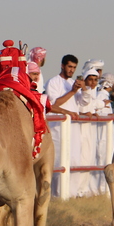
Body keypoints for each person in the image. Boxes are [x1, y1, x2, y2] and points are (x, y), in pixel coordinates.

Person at [45, 54, 83, 195]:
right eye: (69, 66)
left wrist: (84, 89)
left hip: (74, 129)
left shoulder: (73, 83)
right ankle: (57, 195)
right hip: (58, 130)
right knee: (58, 162)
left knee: (74, 160)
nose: (71, 70)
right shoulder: (53, 82)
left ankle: (71, 194)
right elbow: (53, 104)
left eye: (74, 67)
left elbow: (83, 103)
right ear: (62, 66)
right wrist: (73, 91)